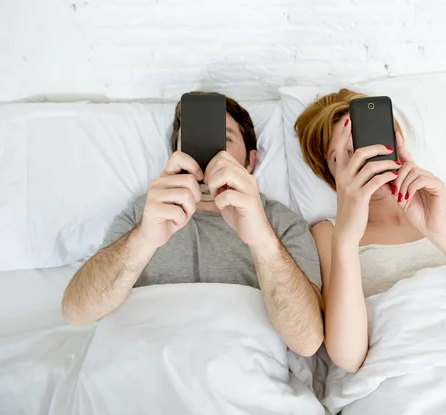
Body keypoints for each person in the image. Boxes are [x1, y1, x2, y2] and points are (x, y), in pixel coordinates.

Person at [62, 93, 324, 357]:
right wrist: (143, 240)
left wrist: (263, 242)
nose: (212, 153)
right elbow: (76, 311)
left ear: (250, 161)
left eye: (226, 140)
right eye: (193, 141)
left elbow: (308, 341)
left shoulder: (283, 223)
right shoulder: (144, 211)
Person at [295, 88, 446, 372]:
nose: (363, 160)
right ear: (332, 177)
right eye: (342, 158)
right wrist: (347, 239)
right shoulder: (329, 234)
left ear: (396, 143)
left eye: (366, 145)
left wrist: (442, 231)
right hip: (399, 375)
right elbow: (349, 358)